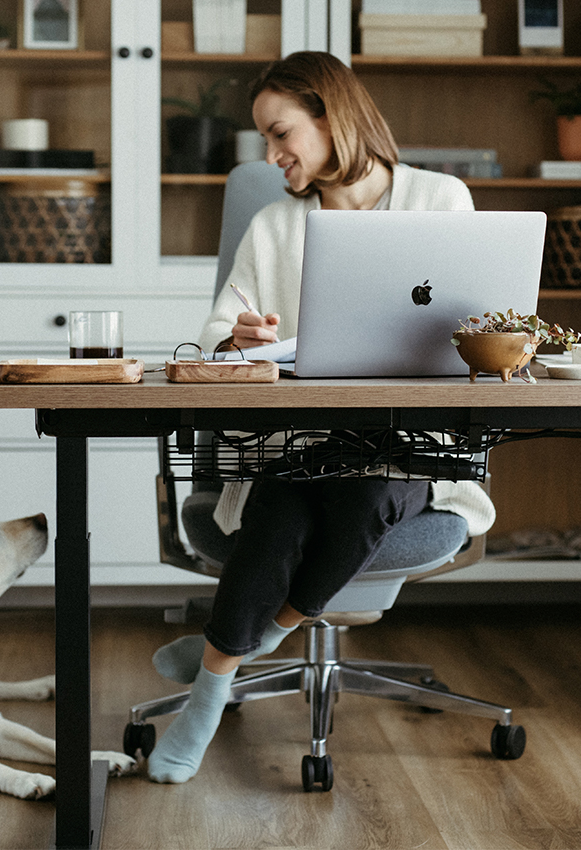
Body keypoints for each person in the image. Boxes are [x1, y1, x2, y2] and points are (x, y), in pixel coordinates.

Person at [146, 51, 495, 785]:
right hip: (300, 442)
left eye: (281, 135)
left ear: (331, 117)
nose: (272, 157)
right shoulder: (275, 226)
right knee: (280, 513)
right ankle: (208, 699)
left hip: (413, 448)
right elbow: (215, 332)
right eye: (267, 143)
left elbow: (476, 327)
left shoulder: (442, 201)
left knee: (368, 491)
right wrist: (237, 337)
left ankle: (248, 642)